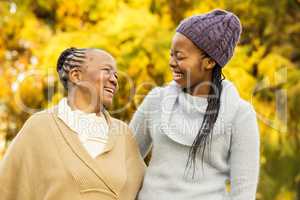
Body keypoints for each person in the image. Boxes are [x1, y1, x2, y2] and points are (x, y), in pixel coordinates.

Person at [129, 9, 260, 200]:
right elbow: (125, 159)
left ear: (209, 62)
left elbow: (243, 190)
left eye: (180, 57)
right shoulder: (156, 100)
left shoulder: (240, 114)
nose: (171, 62)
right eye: (171, 54)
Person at [0, 47, 145, 200]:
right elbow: (7, 190)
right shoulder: (39, 127)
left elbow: (154, 188)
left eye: (115, 74)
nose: (114, 80)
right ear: (76, 76)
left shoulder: (123, 134)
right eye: (106, 70)